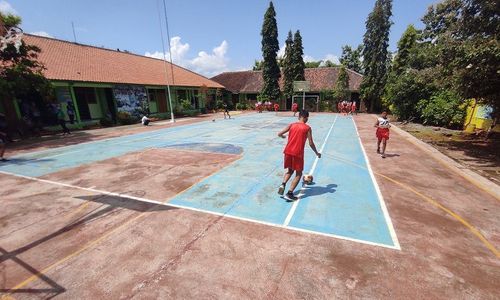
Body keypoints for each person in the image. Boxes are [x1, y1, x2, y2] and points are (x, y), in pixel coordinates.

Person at [278, 110, 321, 201]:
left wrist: (282, 136)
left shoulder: (292, 125)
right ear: (306, 118)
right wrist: (316, 153)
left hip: (287, 151)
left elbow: (279, 133)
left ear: (299, 117)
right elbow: (311, 143)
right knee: (299, 173)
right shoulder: (307, 128)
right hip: (297, 153)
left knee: (290, 170)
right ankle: (289, 193)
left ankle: (283, 184)